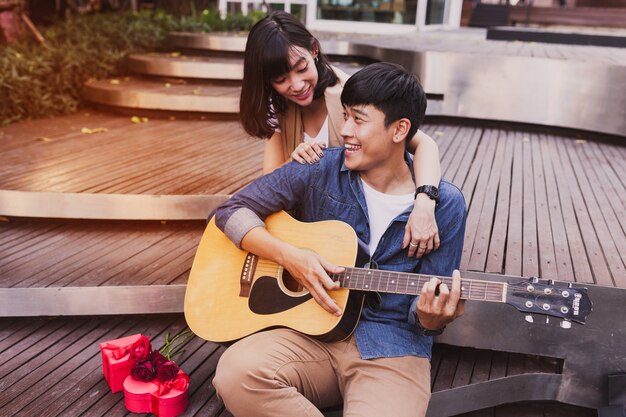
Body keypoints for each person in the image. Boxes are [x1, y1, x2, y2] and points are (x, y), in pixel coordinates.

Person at [213, 62, 467, 417]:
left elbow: (425, 310)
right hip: (310, 333)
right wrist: (289, 256)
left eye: (358, 120)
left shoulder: (446, 205)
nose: (344, 130)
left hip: (391, 348)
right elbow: (231, 211)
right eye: (344, 116)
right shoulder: (320, 169)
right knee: (236, 373)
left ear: (400, 130)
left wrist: (431, 318)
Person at [239, 11, 442, 259]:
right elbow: (270, 182)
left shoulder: (351, 96)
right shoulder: (280, 107)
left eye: (301, 68)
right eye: (281, 79)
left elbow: (425, 144)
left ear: (314, 50)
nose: (296, 84)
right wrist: (295, 161)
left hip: (350, 226)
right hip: (306, 231)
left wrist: (425, 201)